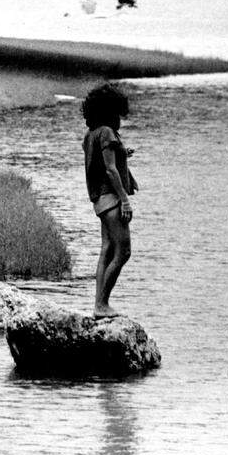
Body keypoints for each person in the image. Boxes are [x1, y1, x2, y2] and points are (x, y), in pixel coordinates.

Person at [81, 83, 138, 318]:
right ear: (111, 111)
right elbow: (111, 170)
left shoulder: (91, 134)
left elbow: (102, 160)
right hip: (111, 198)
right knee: (123, 252)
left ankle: (99, 305)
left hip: (100, 200)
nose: (121, 119)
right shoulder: (106, 132)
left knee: (106, 249)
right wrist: (124, 200)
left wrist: (124, 152)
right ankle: (102, 304)